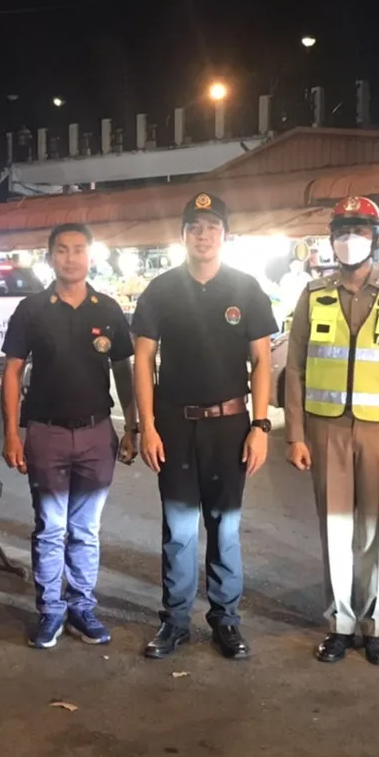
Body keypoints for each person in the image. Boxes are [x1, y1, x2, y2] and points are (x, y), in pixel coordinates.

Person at [284, 197, 379, 665]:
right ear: (331, 241)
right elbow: (295, 368)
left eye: (361, 231)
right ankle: (339, 625)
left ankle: (375, 626)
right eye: (342, 232)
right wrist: (295, 434)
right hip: (326, 429)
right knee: (335, 529)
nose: (350, 240)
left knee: (378, 531)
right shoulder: (314, 295)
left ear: (377, 240)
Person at [132, 192, 278, 660]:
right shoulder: (161, 290)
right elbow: (143, 359)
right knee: (178, 530)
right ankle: (175, 621)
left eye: (212, 226)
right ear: (182, 235)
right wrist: (147, 426)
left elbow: (262, 360)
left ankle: (225, 620)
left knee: (225, 527)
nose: (203, 235)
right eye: (194, 227)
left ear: (225, 235)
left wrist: (261, 426)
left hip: (230, 425)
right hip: (175, 426)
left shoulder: (246, 288)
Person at [1, 223, 138, 649]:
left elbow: (124, 369)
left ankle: (82, 607)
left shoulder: (108, 309)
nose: (71, 257)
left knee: (85, 529)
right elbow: (12, 372)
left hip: (97, 433)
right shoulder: (32, 310)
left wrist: (132, 426)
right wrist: (11, 434)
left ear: (91, 257)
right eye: (62, 250)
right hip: (46, 433)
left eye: (79, 249)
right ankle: (51, 610)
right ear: (49, 258)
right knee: (50, 528)